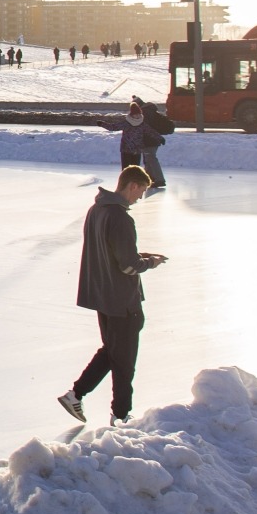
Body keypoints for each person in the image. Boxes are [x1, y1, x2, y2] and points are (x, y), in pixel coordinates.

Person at [59, 165, 166, 425]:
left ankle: (76, 394)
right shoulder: (120, 217)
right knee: (124, 360)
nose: (139, 199)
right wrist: (151, 262)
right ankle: (120, 416)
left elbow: (108, 253)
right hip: (122, 301)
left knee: (113, 351)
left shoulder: (96, 210)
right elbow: (128, 266)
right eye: (140, 192)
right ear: (132, 185)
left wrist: (142, 256)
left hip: (103, 297)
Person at [110, 97, 169, 191]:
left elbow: (145, 129)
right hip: (153, 140)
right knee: (148, 160)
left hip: (149, 141)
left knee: (151, 159)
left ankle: (159, 179)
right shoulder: (150, 110)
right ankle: (149, 179)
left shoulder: (143, 113)